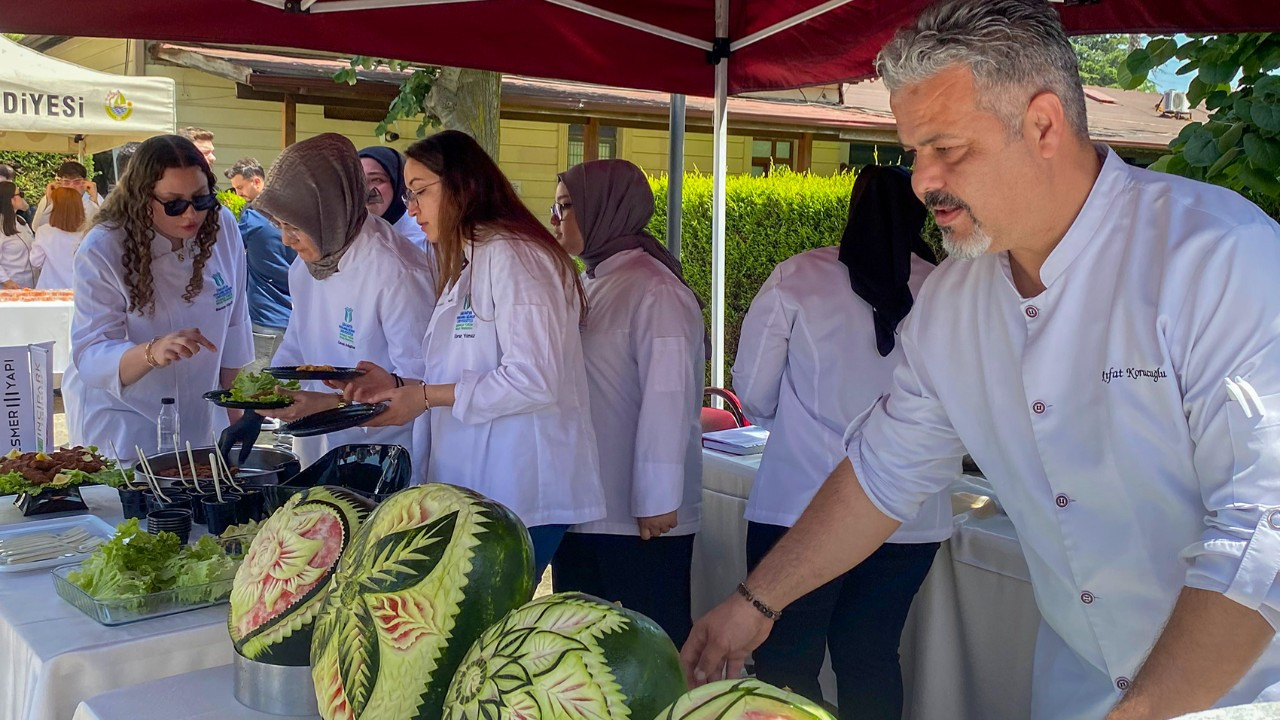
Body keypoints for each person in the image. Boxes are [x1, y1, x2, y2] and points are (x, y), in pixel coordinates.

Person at [682, 1, 1280, 718]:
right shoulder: (954, 302)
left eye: (947, 149)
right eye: (914, 152)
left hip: (1243, 693)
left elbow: (1261, 528)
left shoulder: (1218, 256)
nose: (921, 180)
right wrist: (757, 600)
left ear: (1044, 124)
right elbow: (884, 473)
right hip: (1079, 684)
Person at [731, 165, 951, 718]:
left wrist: (803, 417)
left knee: (785, 662)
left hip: (799, 504)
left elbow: (753, 393)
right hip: (909, 514)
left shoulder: (798, 277)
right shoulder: (947, 287)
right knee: (872, 657)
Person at [340, 129, 605, 577]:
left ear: (463, 186)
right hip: (483, 489)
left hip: (523, 489)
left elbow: (533, 379)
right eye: (409, 194)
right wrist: (400, 386)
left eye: (421, 192)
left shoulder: (515, 257)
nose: (413, 207)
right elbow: (468, 369)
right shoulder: (472, 257)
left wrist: (423, 397)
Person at [547, 159, 705, 646]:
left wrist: (656, 499)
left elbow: (669, 398)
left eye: (566, 206)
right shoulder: (591, 280)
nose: (555, 218)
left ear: (604, 209)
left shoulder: (655, 289)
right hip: (584, 504)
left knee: (649, 653)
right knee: (583, 657)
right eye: (555, 206)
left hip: (639, 520)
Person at [62, 135, 253, 465]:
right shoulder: (104, 247)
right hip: (126, 419)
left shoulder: (223, 227)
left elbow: (235, 324)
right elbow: (91, 353)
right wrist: (152, 351)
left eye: (201, 199)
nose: (190, 214)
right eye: (174, 203)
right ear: (142, 198)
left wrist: (240, 413)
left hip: (201, 413)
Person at [253, 133, 435, 470]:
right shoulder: (306, 265)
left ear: (329, 212)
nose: (285, 239)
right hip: (319, 443)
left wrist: (328, 403)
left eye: (294, 226)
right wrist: (265, 392)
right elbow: (296, 342)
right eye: (279, 225)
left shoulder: (397, 271)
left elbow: (419, 385)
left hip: (387, 454)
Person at [225, 157, 295, 374]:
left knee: (257, 392)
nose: (238, 194)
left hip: (265, 317)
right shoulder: (291, 214)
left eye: (240, 187)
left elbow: (227, 250)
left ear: (256, 181)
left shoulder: (253, 218)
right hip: (292, 318)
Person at [358, 146, 431, 254]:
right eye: (357, 180)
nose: (366, 191)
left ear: (399, 183)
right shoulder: (342, 238)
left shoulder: (425, 239)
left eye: (376, 180)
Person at [30, 186, 86, 289]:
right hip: (78, 288)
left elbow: (35, 261)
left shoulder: (44, 231)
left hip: (49, 288)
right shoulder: (87, 233)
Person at [32, 160, 98, 231]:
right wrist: (49, 200)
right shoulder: (51, 198)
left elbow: (101, 227)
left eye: (77, 182)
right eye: (66, 182)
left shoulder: (93, 198)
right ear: (59, 183)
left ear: (85, 182)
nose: (72, 187)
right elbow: (36, 227)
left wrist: (94, 200)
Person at [0, 181, 35, 288]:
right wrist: (6, 280)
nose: (22, 197)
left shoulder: (20, 220)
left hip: (31, 284)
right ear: (10, 199)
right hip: (10, 287)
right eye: (20, 194)